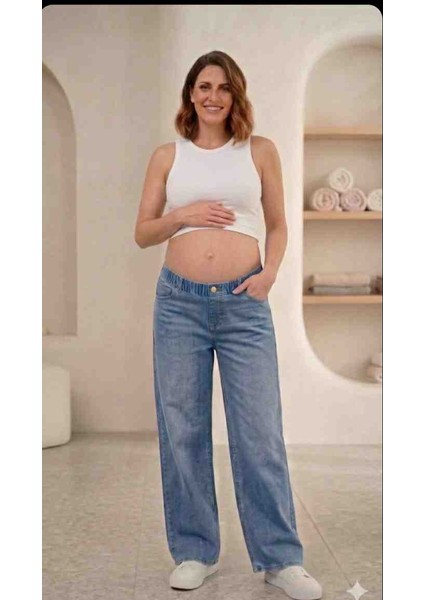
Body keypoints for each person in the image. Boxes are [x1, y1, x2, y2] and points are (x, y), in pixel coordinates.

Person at [134, 50, 322, 600]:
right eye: (203, 86)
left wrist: (269, 274)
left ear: (235, 95)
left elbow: (279, 224)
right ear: (190, 94)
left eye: (222, 87)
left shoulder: (259, 150)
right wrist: (182, 216)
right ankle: (195, 552)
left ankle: (281, 559)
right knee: (183, 430)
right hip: (179, 305)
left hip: (244, 305)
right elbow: (143, 233)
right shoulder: (168, 156)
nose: (212, 96)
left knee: (259, 432)